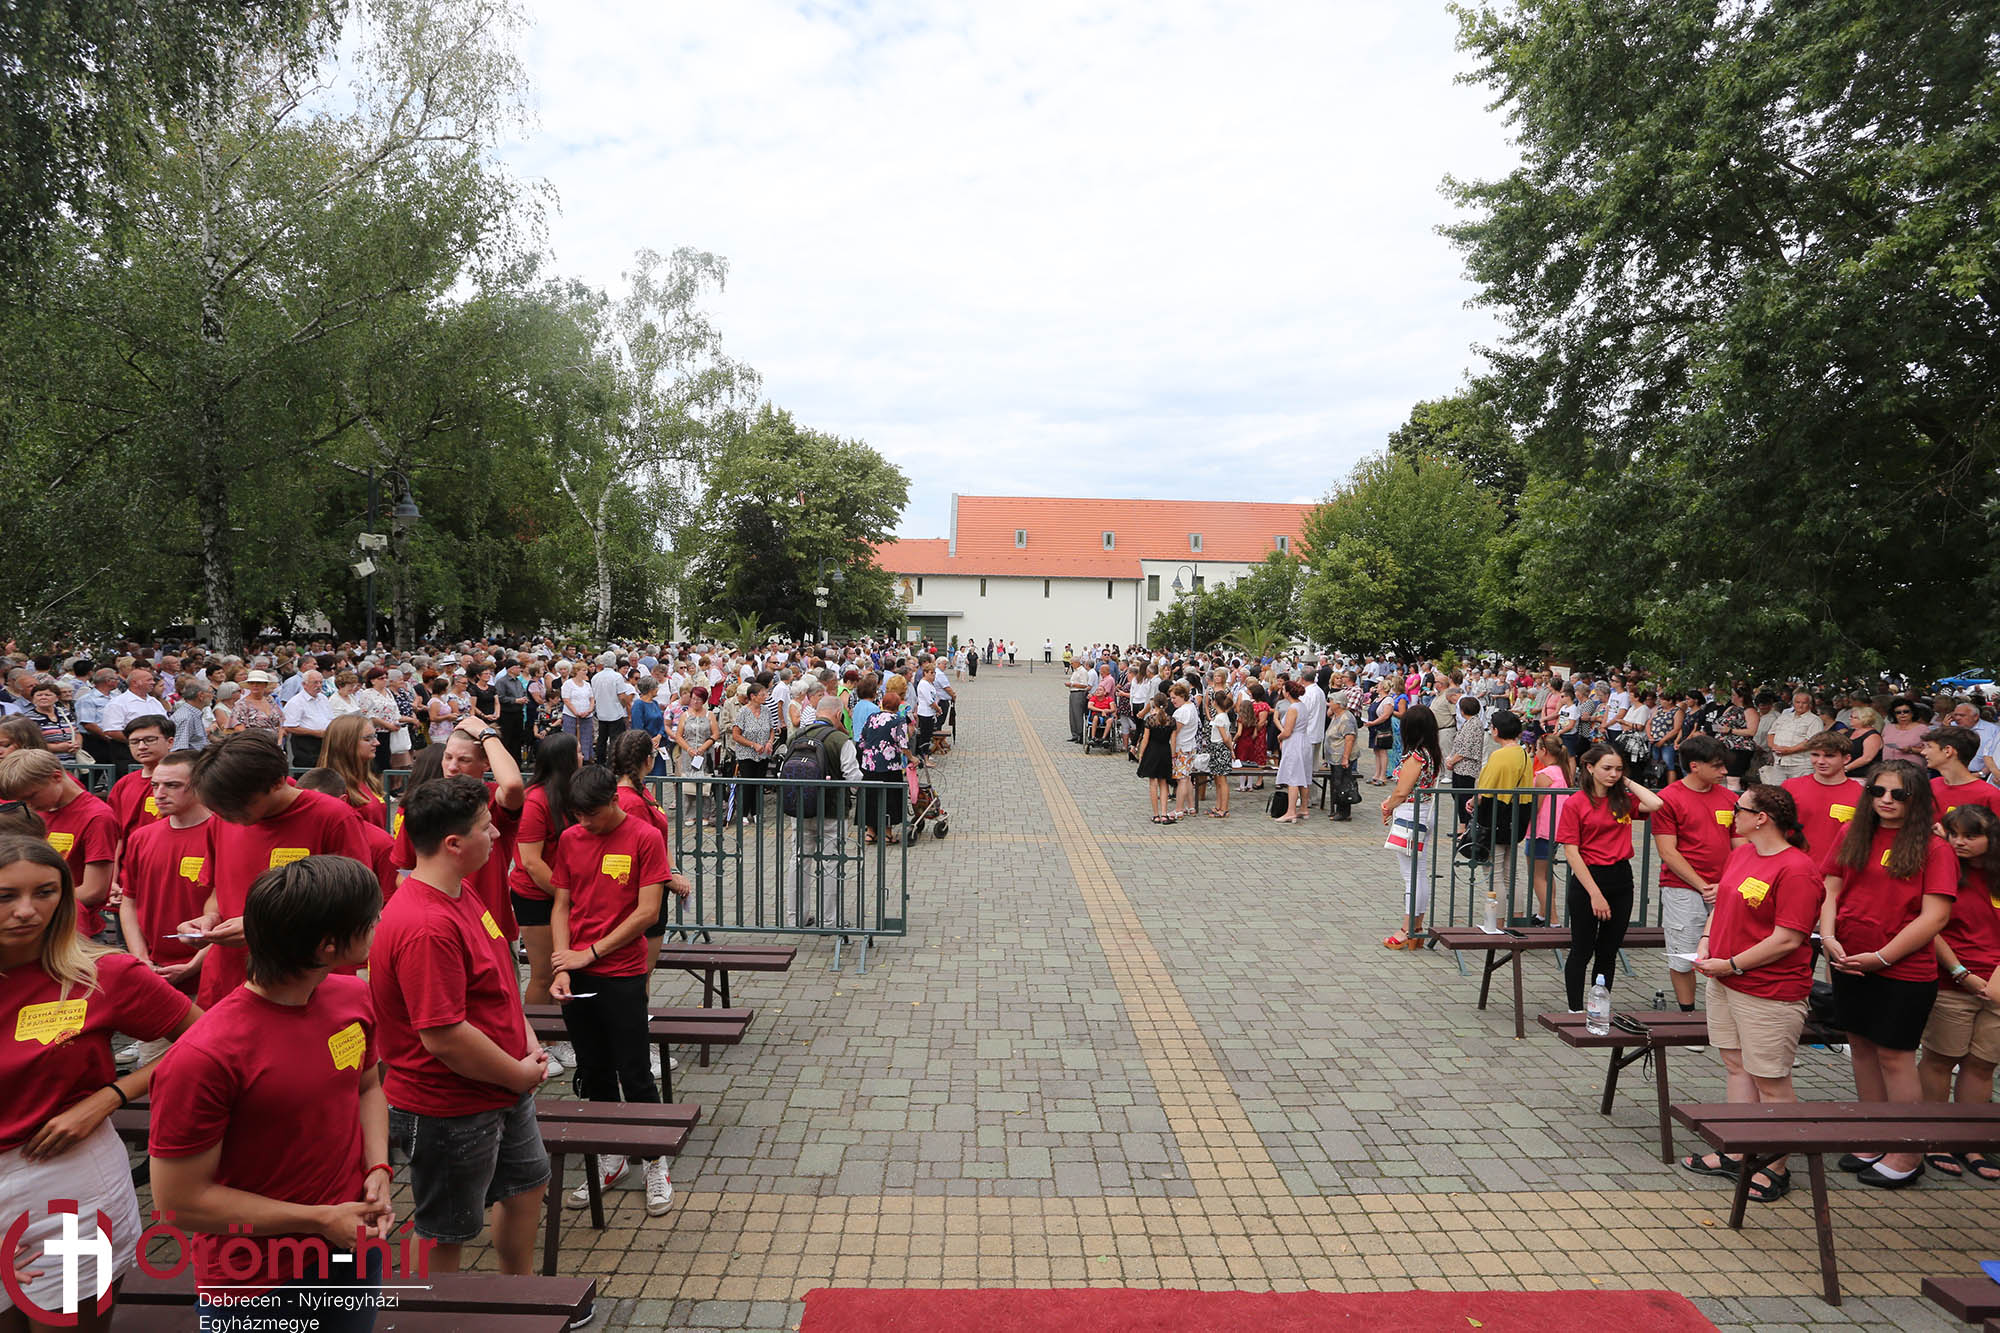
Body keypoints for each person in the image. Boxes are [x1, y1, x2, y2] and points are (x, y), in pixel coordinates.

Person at [149, 855, 392, 1328]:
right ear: (327, 946)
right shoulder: (206, 1056)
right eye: (370, 920)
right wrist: (319, 1220)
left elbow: (366, 1086)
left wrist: (378, 1166)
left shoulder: (352, 998)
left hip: (351, 1243)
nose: (379, 924)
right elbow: (179, 1203)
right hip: (256, 1284)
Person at [0, 836, 197, 1331]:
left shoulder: (103, 973)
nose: (26, 911)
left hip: (66, 1185)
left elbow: (208, 1045)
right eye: (5, 896)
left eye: (45, 892)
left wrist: (111, 1097)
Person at [371, 777, 556, 1279]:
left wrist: (527, 1043)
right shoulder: (427, 925)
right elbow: (444, 1035)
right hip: (449, 1105)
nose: (496, 834)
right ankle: (431, 1308)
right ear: (453, 844)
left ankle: (516, 1296)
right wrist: (517, 1073)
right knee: (445, 1227)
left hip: (501, 1086)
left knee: (526, 1185)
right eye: (485, 827)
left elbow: (497, 984)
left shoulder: (461, 892)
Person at [1679, 785, 1824, 1202]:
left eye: (1738, 808)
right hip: (1726, 980)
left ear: (1762, 818)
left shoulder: (1796, 869)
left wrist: (1733, 963)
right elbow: (1722, 905)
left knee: (1771, 1080)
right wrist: (1706, 942)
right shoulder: (1742, 853)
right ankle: (1739, 1151)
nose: (1731, 814)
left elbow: (1788, 938)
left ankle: (1775, 1166)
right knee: (1736, 1066)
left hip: (1768, 990)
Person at [1821, 759, 1956, 1187]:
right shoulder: (1852, 831)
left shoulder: (1935, 848)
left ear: (1917, 799)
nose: (1886, 800)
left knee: (1895, 1057)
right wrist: (1828, 935)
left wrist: (1881, 957)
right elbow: (1831, 888)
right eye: (1877, 791)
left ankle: (1908, 1150)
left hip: (1902, 969)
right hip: (1849, 959)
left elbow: (1935, 917)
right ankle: (1875, 1133)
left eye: (1899, 794)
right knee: (1861, 1048)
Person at [548, 766, 674, 1216]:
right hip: (578, 974)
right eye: (577, 815)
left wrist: (590, 953)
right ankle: (610, 1157)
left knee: (635, 1072)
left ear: (613, 801)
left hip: (621, 974)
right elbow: (561, 904)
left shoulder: (645, 837)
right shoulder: (570, 839)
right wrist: (562, 964)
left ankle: (655, 1161)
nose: (584, 823)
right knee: (594, 1071)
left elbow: (647, 912)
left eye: (592, 815)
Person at [179, 733, 375, 1009]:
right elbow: (218, 889)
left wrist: (262, 927)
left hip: (303, 981)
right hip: (230, 974)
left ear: (277, 782)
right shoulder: (224, 819)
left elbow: (352, 904)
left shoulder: (333, 818)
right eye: (220, 809)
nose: (230, 816)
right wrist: (209, 920)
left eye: (239, 806)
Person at [1914, 804, 2000, 1181]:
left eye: (1971, 835)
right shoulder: (1941, 870)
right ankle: (1935, 1138)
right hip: (1953, 981)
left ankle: (1971, 1142)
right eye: (1954, 834)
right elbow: (1930, 928)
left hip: (1996, 987)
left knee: (1982, 1065)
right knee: (1940, 1059)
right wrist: (1961, 973)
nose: (1960, 842)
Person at [1556, 744, 1663, 1009]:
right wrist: (1595, 894)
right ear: (1589, 768)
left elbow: (1656, 803)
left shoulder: (1622, 800)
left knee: (1608, 950)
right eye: (1606, 768)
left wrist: (1626, 781)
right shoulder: (1576, 803)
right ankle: (1574, 1009)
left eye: (1618, 769)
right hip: (1589, 878)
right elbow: (1571, 852)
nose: (1613, 774)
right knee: (1582, 949)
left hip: (1621, 878)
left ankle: (1599, 1007)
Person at [116, 750, 216, 1023]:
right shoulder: (142, 837)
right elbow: (129, 901)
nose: (159, 794)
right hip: (155, 973)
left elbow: (233, 910)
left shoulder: (224, 833)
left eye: (172, 785)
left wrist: (193, 965)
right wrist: (140, 959)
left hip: (208, 975)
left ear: (199, 785)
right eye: (155, 785)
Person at [1651, 735, 1739, 1013]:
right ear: (1694, 766)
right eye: (1717, 766)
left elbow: (1741, 846)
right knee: (1683, 954)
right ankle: (1687, 1013)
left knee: (1727, 952)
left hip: (1725, 888)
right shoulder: (1668, 798)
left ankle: (1723, 1012)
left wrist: (1728, 883)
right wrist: (1703, 886)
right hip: (1682, 888)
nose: (1724, 771)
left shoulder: (1731, 798)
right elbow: (1668, 852)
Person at [0, 749, 119, 940]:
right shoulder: (40, 807)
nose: (28, 806)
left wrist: (35, 900)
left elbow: (94, 890)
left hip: (73, 930)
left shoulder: (97, 817)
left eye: (32, 796)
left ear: (56, 777)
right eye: (22, 801)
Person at [1379, 703, 1444, 949]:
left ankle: (1408, 928)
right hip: (1424, 811)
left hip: (1410, 813)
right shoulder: (1431, 752)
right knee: (1418, 872)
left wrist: (1388, 806)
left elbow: (1402, 790)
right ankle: (1416, 926)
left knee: (1411, 875)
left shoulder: (1416, 756)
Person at [1783, 731, 1866, 866]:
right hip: (1794, 867)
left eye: (1829, 756)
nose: (1821, 761)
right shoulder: (1790, 786)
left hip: (1838, 870)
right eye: (1815, 755)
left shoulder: (1861, 794)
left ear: (1846, 759)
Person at [106, 712, 173, 846]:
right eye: (134, 742)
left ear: (170, 742)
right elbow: (118, 834)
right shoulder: (123, 784)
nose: (142, 747)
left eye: (150, 740)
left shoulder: (186, 782)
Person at [857, 676, 910, 843]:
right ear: (897, 706)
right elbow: (903, 744)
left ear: (882, 704)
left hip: (869, 764)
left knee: (871, 796)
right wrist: (912, 758)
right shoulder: (898, 720)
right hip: (890, 765)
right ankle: (887, 833)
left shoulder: (872, 717)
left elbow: (862, 739)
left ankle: (870, 831)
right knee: (889, 797)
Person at [323, 712, 388, 828]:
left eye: (375, 736)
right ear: (346, 743)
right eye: (368, 738)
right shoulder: (332, 788)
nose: (377, 743)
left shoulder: (367, 779)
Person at [1926, 726, 2000, 820]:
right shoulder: (1931, 785)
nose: (1923, 752)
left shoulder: (1990, 795)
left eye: (1929, 747)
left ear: (1947, 751)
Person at [1136, 692, 1176, 824]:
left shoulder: (1150, 720)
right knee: (1163, 783)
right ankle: (1164, 813)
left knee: (1153, 783)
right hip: (1165, 751)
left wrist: (1141, 754)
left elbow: (1145, 739)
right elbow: (1173, 741)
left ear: (1154, 704)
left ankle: (1156, 814)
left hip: (1152, 751)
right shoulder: (1171, 720)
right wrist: (1173, 756)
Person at [590, 653, 633, 757]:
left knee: (602, 739)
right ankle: (613, 761)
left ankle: (600, 760)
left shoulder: (595, 677)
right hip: (615, 713)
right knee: (615, 740)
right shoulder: (617, 677)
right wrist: (623, 705)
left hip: (601, 713)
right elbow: (622, 696)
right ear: (614, 663)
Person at [1880, 699, 1927, 764]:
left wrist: (1911, 750)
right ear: (1894, 714)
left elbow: (1930, 750)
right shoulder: (1888, 727)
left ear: (1912, 713)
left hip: (1912, 766)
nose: (1902, 714)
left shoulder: (1922, 728)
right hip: (1888, 765)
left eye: (1906, 711)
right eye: (1898, 712)